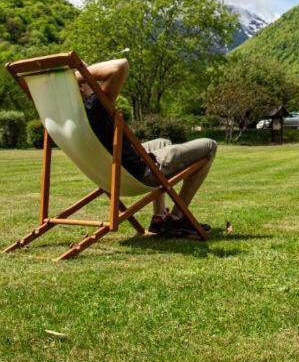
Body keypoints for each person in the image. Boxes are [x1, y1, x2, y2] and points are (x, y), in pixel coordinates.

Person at [76, 58, 216, 237]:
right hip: (139, 173)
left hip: (111, 171)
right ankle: (176, 218)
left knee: (162, 142)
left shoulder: (70, 115)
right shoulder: (95, 106)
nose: (98, 79)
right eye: (92, 75)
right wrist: (79, 75)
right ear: (81, 84)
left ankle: (159, 218)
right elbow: (121, 66)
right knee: (210, 146)